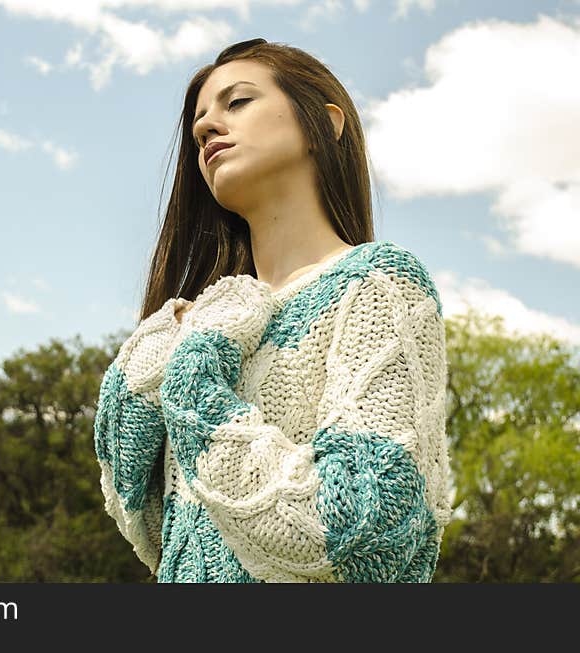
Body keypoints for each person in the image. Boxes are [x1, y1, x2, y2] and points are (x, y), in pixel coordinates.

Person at [93, 38, 453, 582]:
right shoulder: (204, 326)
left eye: (236, 103)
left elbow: (365, 529)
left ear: (322, 125)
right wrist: (170, 342)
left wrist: (194, 385)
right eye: (198, 125)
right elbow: (144, 521)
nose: (207, 128)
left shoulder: (378, 286)